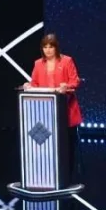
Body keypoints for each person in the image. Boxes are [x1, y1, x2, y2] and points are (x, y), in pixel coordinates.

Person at [23, 33, 83, 175]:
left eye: (51, 47)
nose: (48, 50)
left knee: (66, 146)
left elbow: (75, 81)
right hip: (45, 112)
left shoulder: (67, 61)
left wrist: (66, 86)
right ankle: (47, 173)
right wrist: (28, 85)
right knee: (44, 143)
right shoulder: (38, 63)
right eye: (45, 47)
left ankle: (67, 175)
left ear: (56, 48)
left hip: (65, 111)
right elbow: (34, 83)